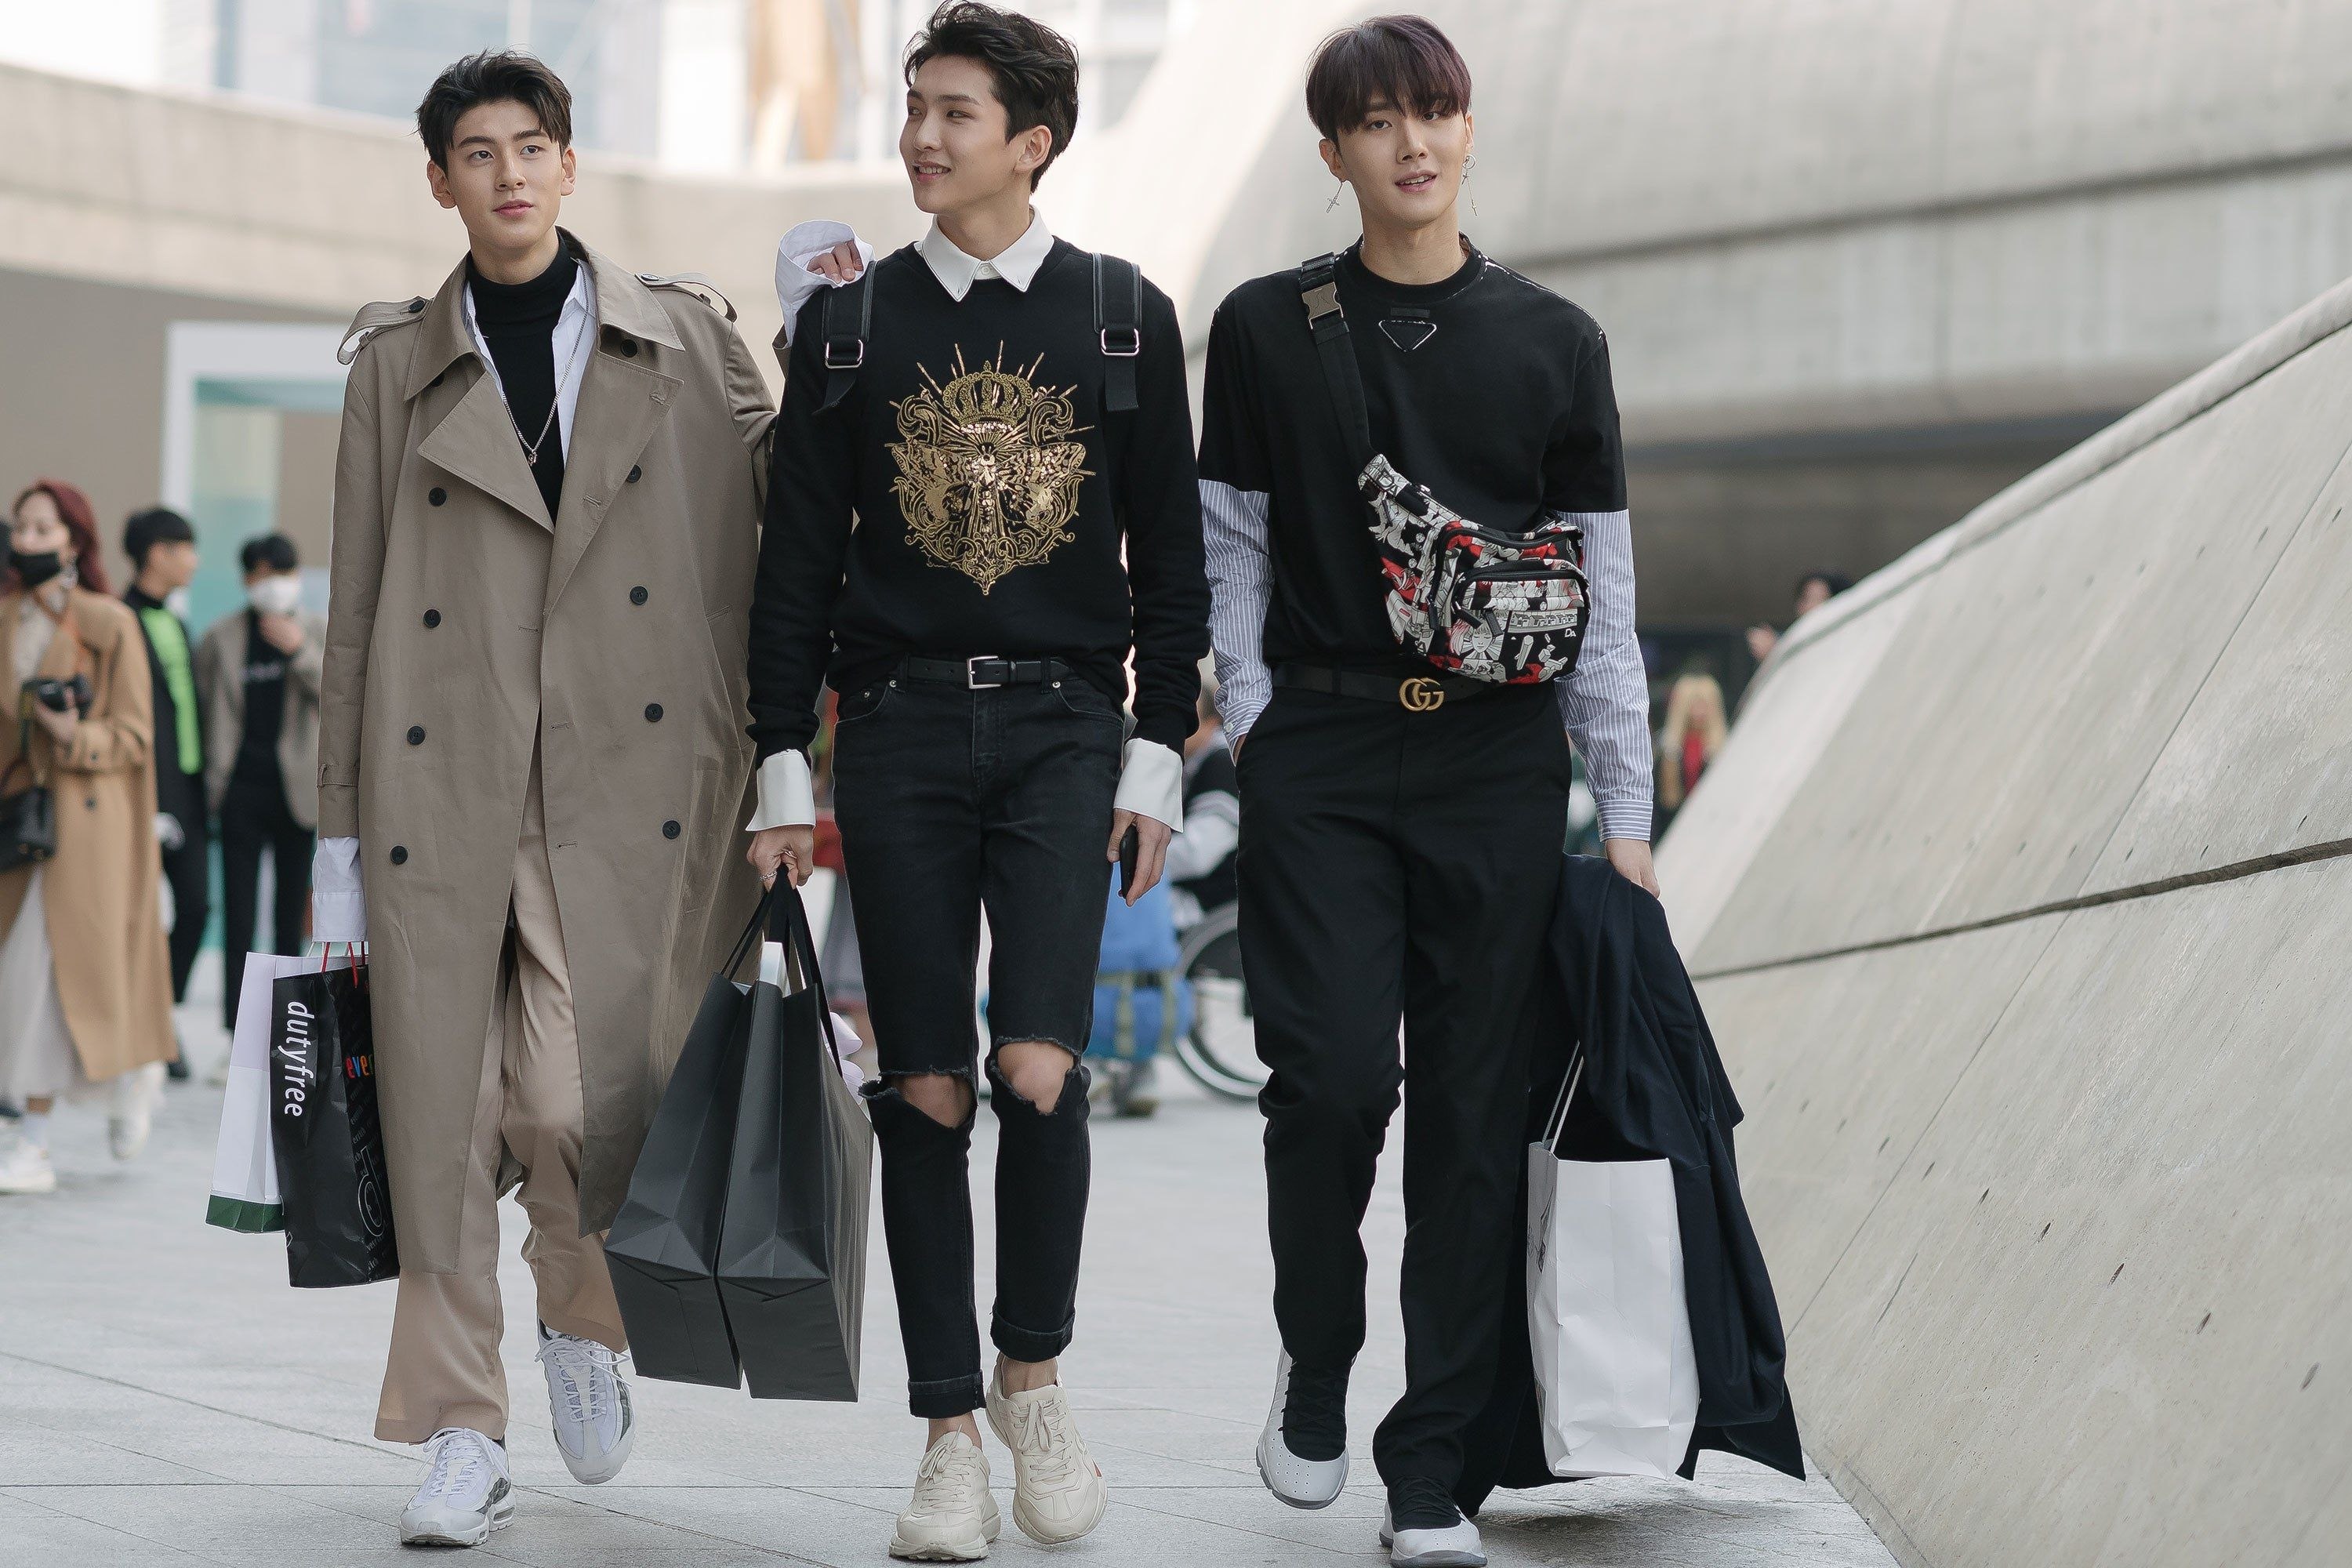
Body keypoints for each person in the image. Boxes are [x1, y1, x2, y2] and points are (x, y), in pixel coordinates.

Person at [312, 51, 855, 1549]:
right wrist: (338, 836)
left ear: (568, 163)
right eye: (476, 153)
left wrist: (819, 341)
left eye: (529, 147)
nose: (507, 174)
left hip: (626, 779)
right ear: (440, 182)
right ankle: (459, 1432)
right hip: (440, 779)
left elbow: (795, 516)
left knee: (570, 1098)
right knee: (438, 1118)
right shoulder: (392, 365)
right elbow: (356, 610)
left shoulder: (681, 333)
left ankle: (577, 1311)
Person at [745, 5, 1210, 1557]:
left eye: (956, 113)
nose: (922, 138)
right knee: (926, 1084)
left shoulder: (1125, 318)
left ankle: (1033, 1379)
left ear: (1033, 141)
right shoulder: (849, 325)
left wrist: (1157, 752)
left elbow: (1175, 573)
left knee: (1042, 1071)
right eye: (915, 110)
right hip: (898, 732)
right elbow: (795, 570)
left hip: (1070, 729)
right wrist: (781, 766)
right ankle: (947, 1433)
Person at [1195, 18, 1656, 1567]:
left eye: (1435, 112)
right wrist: (1259, 723)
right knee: (1329, 1080)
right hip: (1323, 753)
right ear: (1333, 152)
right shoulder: (1265, 328)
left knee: (1473, 1108)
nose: (1413, 141)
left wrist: (1629, 818)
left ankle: (1434, 1462)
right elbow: (1233, 546)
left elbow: (1602, 597)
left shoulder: (1556, 341)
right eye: (1379, 120)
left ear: (1470, 129)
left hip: (1495, 761)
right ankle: (1319, 1348)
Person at [0, 481, 176, 1194]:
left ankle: (33, 1142)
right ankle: (135, 1073)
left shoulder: (108, 622)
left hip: (83, 826)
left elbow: (135, 735)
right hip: (17, 823)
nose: (29, 540)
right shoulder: (6, 616)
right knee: (28, 978)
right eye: (21, 528)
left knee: (42, 977)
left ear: (75, 540)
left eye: (44, 529)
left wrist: (73, 733)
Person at [195, 534, 325, 1033]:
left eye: (284, 573)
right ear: (247, 579)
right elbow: (205, 706)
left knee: (290, 916)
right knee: (239, 916)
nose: (274, 584)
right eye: (264, 574)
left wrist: (299, 651)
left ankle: (287, 1031)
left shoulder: (317, 630)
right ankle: (238, 1030)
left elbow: (339, 696)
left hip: (297, 793)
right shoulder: (221, 637)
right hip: (240, 791)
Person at [120, 506, 208, 1077]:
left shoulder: (177, 623)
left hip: (189, 792)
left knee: (197, 907)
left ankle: (160, 1014)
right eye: (185, 548)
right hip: (143, 797)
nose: (194, 561)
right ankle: (136, 1028)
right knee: (136, 915)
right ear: (157, 552)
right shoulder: (119, 619)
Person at [1163, 684, 1239, 934]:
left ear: (1210, 724)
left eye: (1187, 718)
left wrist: (1135, 862)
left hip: (1208, 912)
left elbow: (1197, 853)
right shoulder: (1193, 765)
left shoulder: (1223, 766)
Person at [1743, 568, 1851, 665]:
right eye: (1805, 599)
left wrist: (1776, 654)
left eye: (1818, 599)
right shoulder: (1791, 641)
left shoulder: (1844, 646)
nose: (1807, 607)